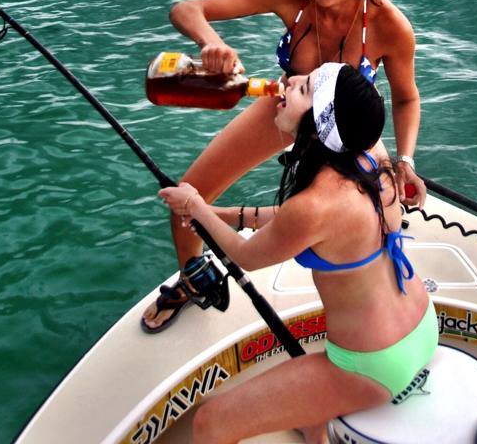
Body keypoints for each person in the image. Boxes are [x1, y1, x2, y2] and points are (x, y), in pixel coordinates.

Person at [142, 0, 424, 333]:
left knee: (382, 210)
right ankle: (191, 278)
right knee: (189, 192)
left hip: (343, 130)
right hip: (285, 104)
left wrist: (405, 161)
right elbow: (186, 9)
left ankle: (379, 312)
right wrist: (210, 43)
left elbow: (405, 99)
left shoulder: (390, 25)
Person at [159, 62, 436, 444]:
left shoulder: (314, 205)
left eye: (304, 89)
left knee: (211, 424)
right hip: (421, 324)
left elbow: (247, 255)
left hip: (374, 364)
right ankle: (314, 429)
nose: (288, 84)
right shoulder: (370, 154)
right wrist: (219, 214)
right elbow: (300, 223)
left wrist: (196, 205)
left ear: (318, 124)